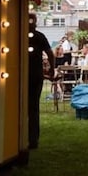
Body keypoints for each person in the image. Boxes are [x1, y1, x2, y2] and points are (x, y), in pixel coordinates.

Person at [27, 13, 53, 150]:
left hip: (29, 76)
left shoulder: (36, 36)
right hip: (36, 76)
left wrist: (51, 69)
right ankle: (32, 139)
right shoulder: (39, 36)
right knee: (33, 108)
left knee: (28, 108)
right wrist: (52, 69)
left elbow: (50, 54)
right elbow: (50, 53)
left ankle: (28, 138)